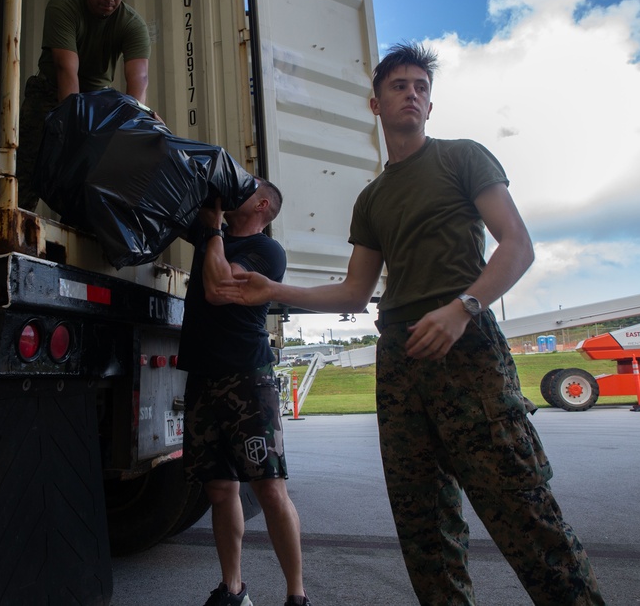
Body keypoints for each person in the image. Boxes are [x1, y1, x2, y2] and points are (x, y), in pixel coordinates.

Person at [222, 43, 604, 605]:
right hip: (400, 358)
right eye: (399, 85)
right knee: (423, 524)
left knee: (523, 510)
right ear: (376, 103)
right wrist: (274, 291)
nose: (412, 94)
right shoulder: (372, 198)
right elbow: (356, 290)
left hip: (466, 348)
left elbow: (517, 246)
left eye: (421, 87)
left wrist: (463, 309)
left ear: (430, 104)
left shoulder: (462, 158)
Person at [178, 179, 311, 606]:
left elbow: (219, 291)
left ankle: (296, 596)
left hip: (245, 378)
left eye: (248, 191)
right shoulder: (210, 231)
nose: (237, 193)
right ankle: (233, 589)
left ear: (264, 205)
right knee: (219, 489)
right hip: (203, 376)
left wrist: (214, 231)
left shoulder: (268, 252)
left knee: (270, 487)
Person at [17, 0, 152, 211]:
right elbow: (66, 70)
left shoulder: (133, 25)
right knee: (27, 173)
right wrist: (73, 134)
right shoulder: (63, 6)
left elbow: (139, 79)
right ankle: (18, 226)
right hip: (50, 94)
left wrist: (130, 128)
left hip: (97, 103)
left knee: (94, 182)